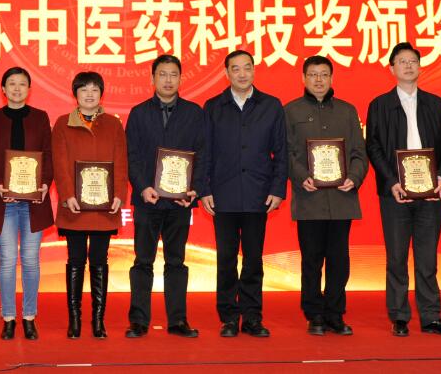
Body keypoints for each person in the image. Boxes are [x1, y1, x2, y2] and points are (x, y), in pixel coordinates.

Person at [365, 42, 441, 337]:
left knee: (427, 258)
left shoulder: (436, 104)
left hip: (431, 193)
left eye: (413, 61)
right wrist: (392, 181)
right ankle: (399, 316)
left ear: (420, 66)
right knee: (396, 258)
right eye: (402, 61)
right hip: (395, 194)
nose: (408, 66)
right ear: (391, 68)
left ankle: (431, 317)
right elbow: (373, 147)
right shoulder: (379, 105)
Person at [201, 49, 286, 338]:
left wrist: (277, 189)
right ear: (226, 73)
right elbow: (205, 153)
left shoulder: (271, 106)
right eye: (235, 69)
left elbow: (281, 152)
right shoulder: (213, 107)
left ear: (254, 70)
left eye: (247, 67)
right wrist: (204, 189)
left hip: (257, 194)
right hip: (223, 195)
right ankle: (228, 317)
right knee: (226, 259)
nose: (241, 73)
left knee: (253, 260)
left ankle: (252, 317)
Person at [124, 55, 208, 339]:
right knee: (142, 261)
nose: (168, 80)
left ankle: (178, 320)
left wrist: (194, 189)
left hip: (180, 202)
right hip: (147, 200)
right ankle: (138, 321)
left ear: (181, 79)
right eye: (162, 74)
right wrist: (142, 187)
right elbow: (131, 156)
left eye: (173, 74)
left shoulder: (194, 113)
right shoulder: (138, 113)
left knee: (176, 262)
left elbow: (203, 154)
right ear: (152, 79)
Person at [283, 55, 367, 336]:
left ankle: (335, 313)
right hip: (309, 199)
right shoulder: (291, 111)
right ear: (303, 78)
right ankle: (314, 314)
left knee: (339, 260)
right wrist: (300, 176)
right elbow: (287, 153)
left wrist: (354, 177)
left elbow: (359, 153)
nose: (318, 80)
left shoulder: (347, 111)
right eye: (313, 74)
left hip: (342, 199)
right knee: (311, 260)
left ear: (332, 78)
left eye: (324, 74)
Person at [0, 67, 53, 340]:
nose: (17, 88)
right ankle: (9, 317)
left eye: (22, 84)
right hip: (4, 202)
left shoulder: (41, 117)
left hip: (34, 202)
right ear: (3, 89)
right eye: (12, 83)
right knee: (8, 260)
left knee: (31, 261)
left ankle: (30, 317)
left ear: (29, 89)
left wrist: (44, 183)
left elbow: (49, 154)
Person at [52, 71, 126, 339]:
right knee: (75, 260)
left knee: (99, 260)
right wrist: (67, 194)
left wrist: (119, 194)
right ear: (75, 94)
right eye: (84, 89)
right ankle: (74, 320)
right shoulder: (62, 124)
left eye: (95, 89)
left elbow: (121, 161)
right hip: (74, 204)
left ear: (101, 94)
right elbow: (59, 162)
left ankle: (98, 321)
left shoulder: (114, 124)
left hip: (104, 206)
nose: (89, 94)